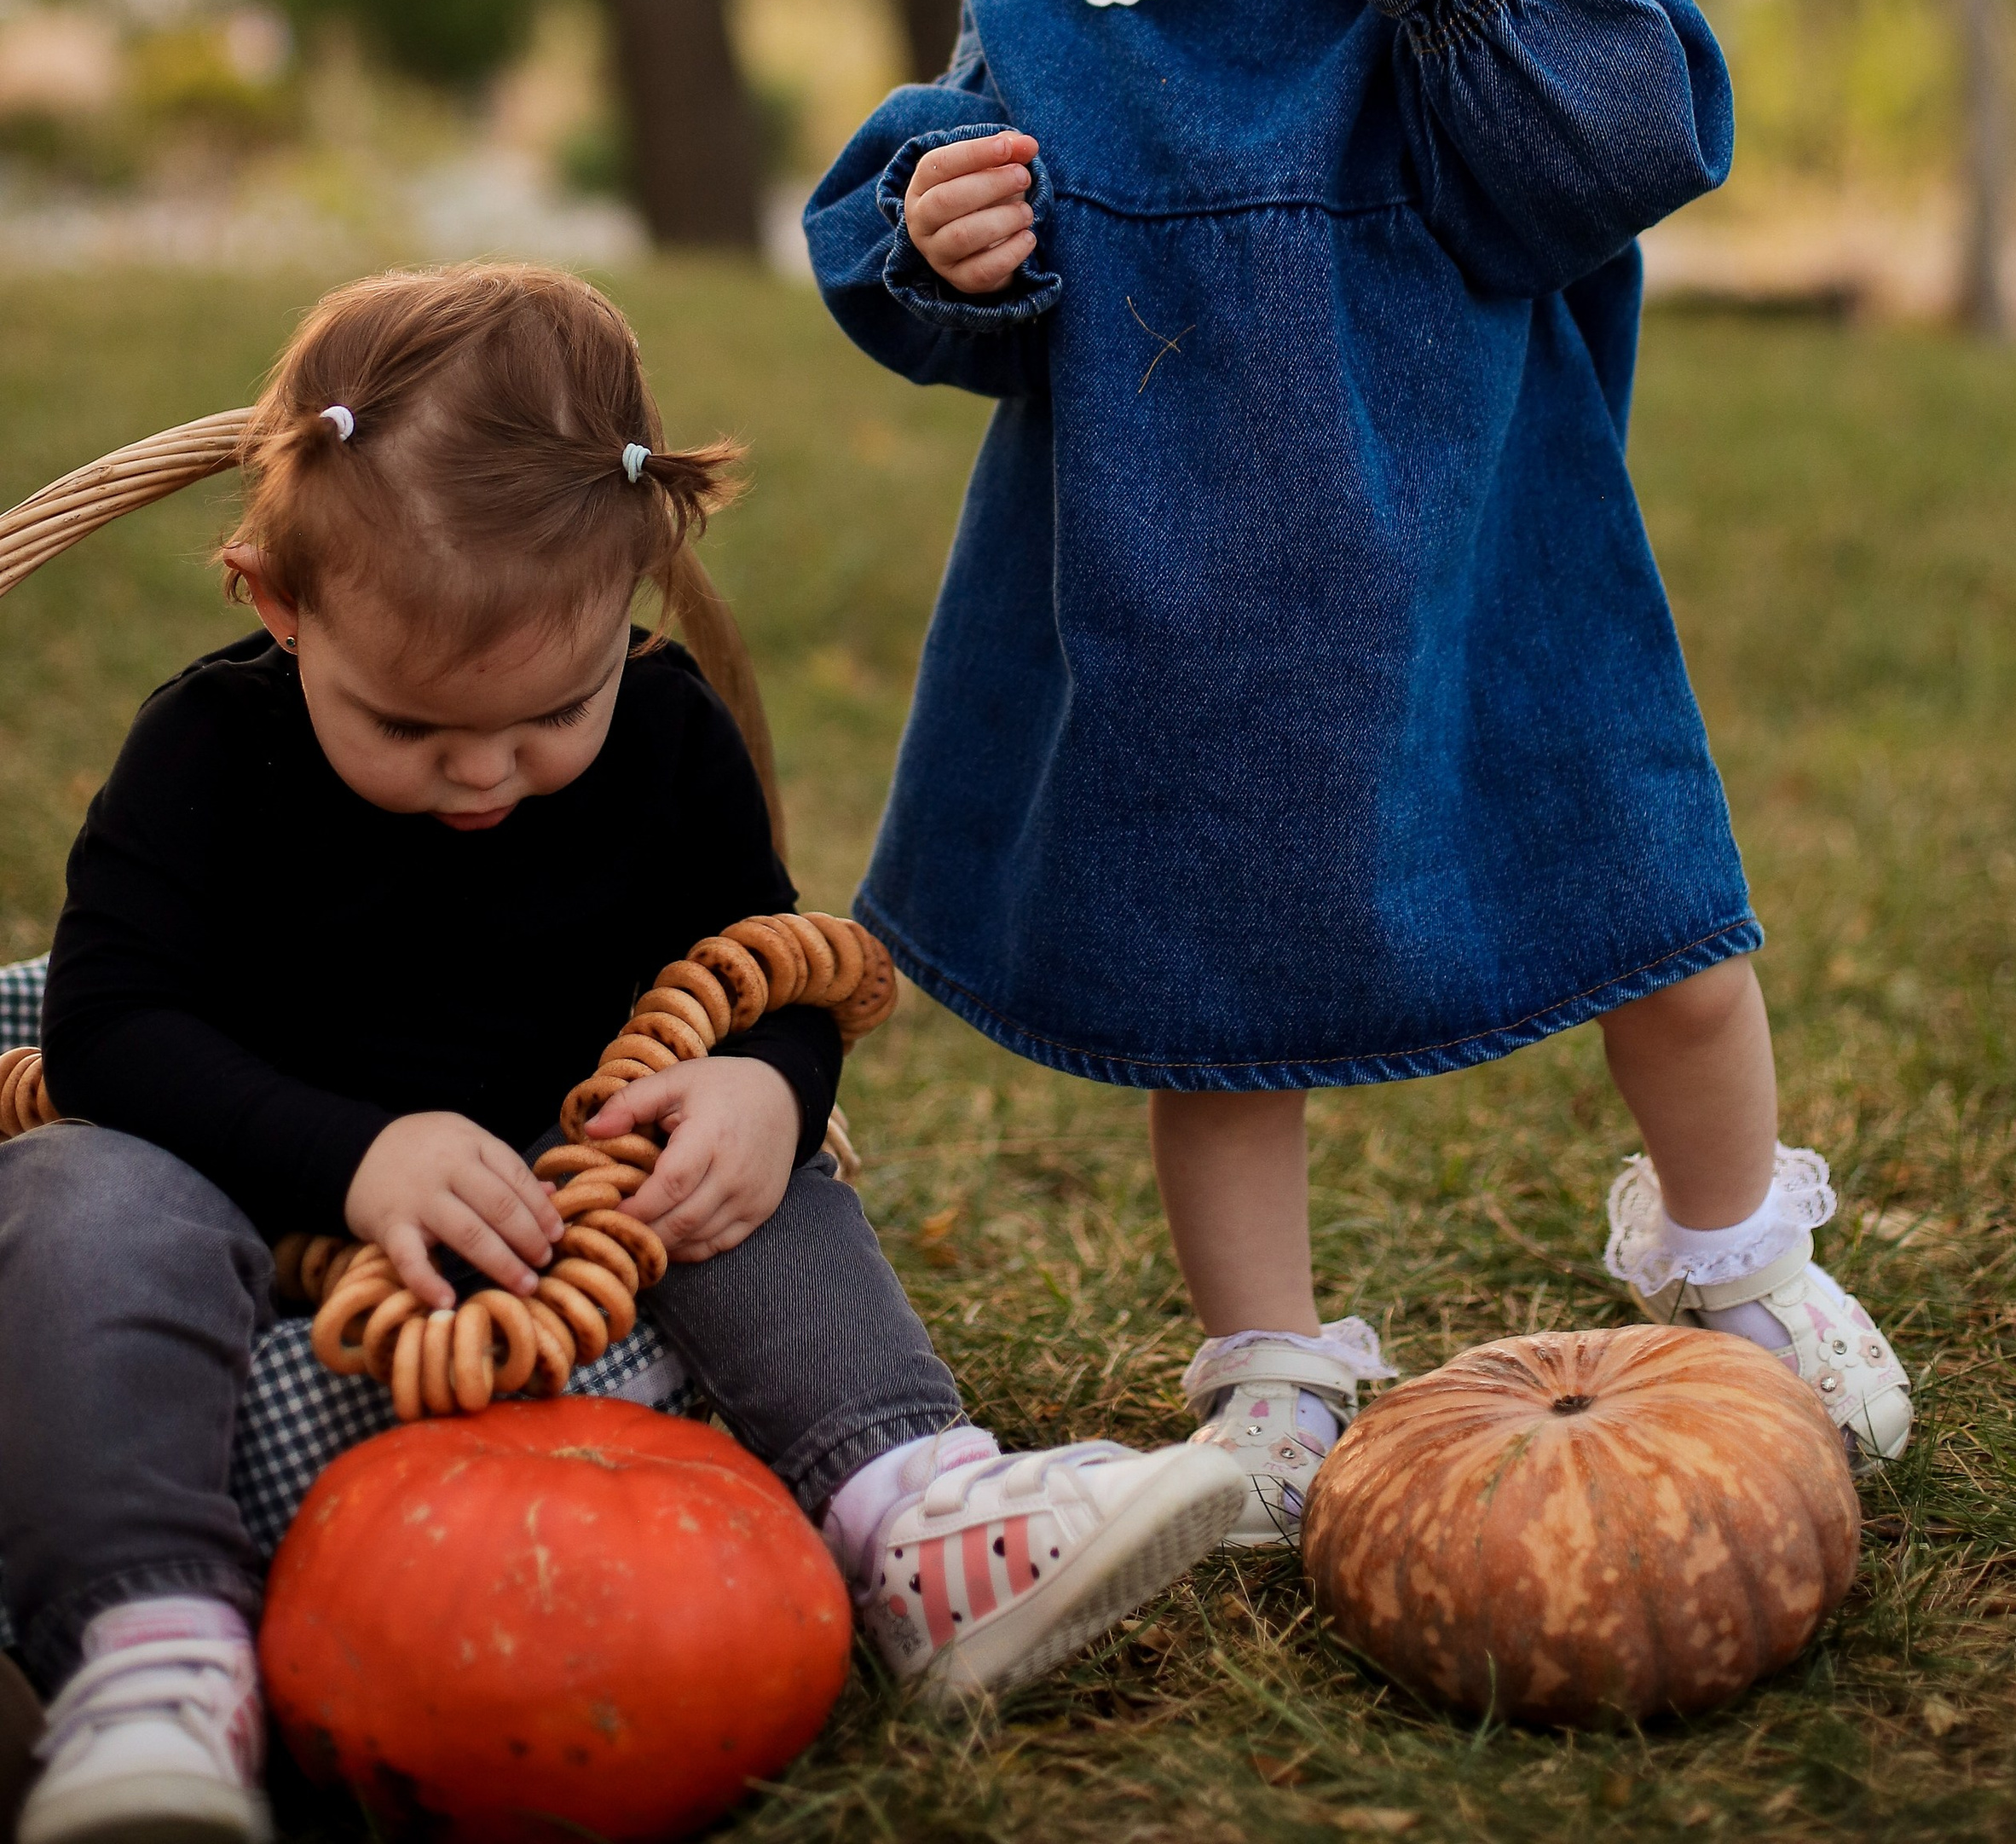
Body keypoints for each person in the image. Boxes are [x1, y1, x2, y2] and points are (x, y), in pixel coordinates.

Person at [806, 0, 1914, 1549]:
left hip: (1497, 568)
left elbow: (1633, 143)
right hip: (1194, 590)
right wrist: (953, 233)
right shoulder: (1071, 0)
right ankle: (1277, 1371)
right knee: (1226, 1012)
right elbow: (936, 267)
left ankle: (1741, 1261)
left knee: (1660, 924)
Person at [0, 265, 1242, 1844]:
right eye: (406, 728)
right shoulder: (203, 754)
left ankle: (917, 1509)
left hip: (570, 1199)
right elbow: (109, 1031)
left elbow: (755, 970)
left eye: (546, 716)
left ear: (637, 602)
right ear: (274, 598)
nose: (484, 777)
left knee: (732, 1164)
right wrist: (350, 1152)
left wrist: (770, 1084)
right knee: (74, 1194)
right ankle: (150, 1652)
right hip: (251, 1187)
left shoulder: (664, 737)